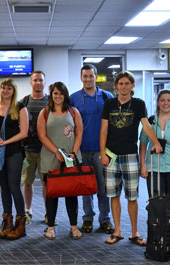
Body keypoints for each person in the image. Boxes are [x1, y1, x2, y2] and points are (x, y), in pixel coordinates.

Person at [100, 71, 162, 245]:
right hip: (111, 155)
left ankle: (134, 232)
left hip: (130, 155)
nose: (124, 86)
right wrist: (102, 152)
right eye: (121, 84)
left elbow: (146, 126)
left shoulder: (138, 104)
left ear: (132, 85)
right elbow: (103, 130)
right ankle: (117, 231)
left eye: (127, 83)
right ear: (116, 86)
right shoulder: (109, 103)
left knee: (132, 197)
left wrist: (155, 142)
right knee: (113, 195)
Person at [70, 64, 114, 234]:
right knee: (85, 187)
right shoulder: (74, 98)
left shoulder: (106, 96)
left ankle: (105, 219)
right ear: (81, 78)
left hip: (101, 150)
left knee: (103, 187)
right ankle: (88, 218)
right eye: (85, 76)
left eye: (91, 76)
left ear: (96, 77)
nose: (88, 79)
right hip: (81, 150)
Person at [38, 82, 83, 240]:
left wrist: (73, 153)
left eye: (61, 93)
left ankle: (74, 226)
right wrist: (56, 151)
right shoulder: (44, 112)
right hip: (50, 158)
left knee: (71, 193)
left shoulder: (73, 112)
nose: (58, 96)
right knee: (52, 194)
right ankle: (50, 227)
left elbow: (79, 133)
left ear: (65, 95)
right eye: (55, 93)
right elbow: (42, 135)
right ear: (51, 95)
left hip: (70, 159)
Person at [0, 78, 29, 240]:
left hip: (14, 152)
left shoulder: (20, 108)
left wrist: (5, 142)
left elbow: (24, 132)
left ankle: (21, 225)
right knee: (4, 187)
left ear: (13, 91)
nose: (5, 91)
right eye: (3, 88)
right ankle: (7, 222)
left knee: (14, 187)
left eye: (8, 88)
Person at [19, 70, 49, 225]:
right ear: (31, 82)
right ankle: (28, 211)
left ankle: (48, 213)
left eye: (41, 80)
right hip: (29, 151)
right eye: (35, 80)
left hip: (47, 151)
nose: (38, 83)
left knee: (47, 183)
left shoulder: (51, 101)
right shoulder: (24, 102)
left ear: (44, 82)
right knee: (27, 182)